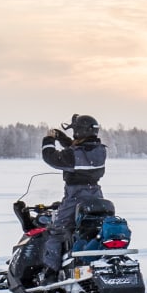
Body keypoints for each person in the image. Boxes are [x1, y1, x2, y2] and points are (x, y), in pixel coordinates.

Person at [40, 114, 107, 275]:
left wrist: (48, 140)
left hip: (76, 196)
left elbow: (51, 157)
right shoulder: (100, 151)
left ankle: (51, 271)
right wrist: (63, 138)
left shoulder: (73, 156)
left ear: (80, 132)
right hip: (96, 195)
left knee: (58, 230)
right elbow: (80, 151)